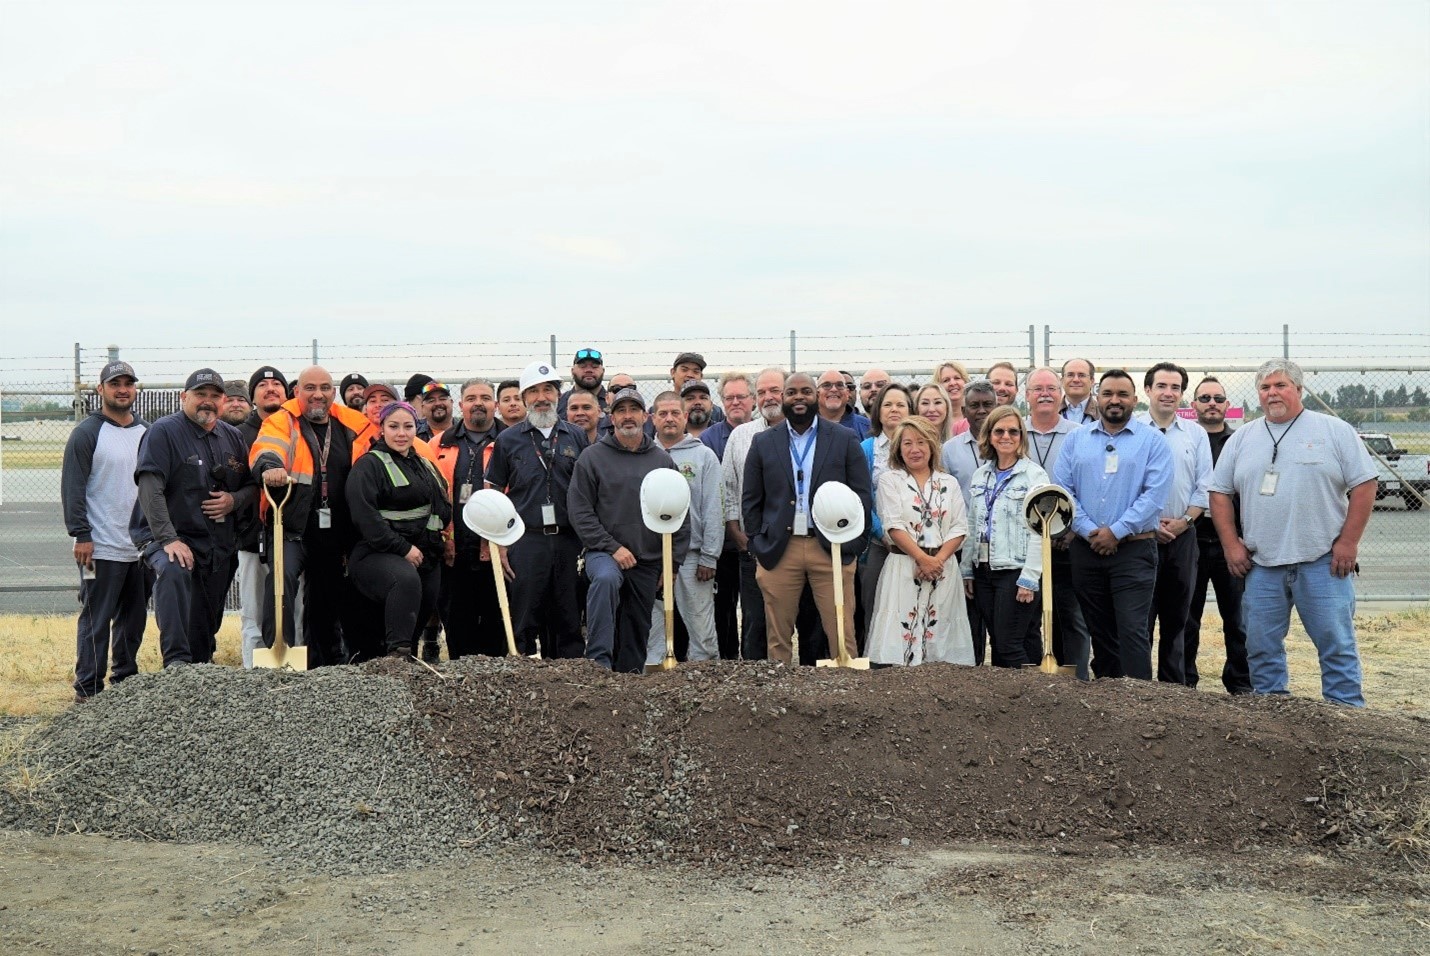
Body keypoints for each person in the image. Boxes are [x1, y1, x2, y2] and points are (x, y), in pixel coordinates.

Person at [1209, 360, 1377, 707]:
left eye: (1281, 385)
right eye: (1265, 387)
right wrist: (1230, 544)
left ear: (1299, 390)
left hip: (1323, 563)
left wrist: (1348, 542)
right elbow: (1219, 492)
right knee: (1261, 648)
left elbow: (1365, 483)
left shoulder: (1333, 430)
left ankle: (1346, 719)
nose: (1272, 393)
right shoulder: (1242, 438)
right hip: (1261, 566)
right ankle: (1275, 720)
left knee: (1337, 646)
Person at [742, 372, 872, 665]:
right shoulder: (763, 442)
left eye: (806, 391)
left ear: (817, 396)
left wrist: (854, 544)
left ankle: (848, 697)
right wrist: (756, 544)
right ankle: (781, 699)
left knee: (842, 632)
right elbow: (751, 499)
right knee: (778, 636)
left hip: (831, 546)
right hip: (779, 548)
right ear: (783, 398)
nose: (798, 397)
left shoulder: (844, 438)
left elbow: (862, 495)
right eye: (791, 392)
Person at [250, 366, 376, 666]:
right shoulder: (283, 420)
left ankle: (324, 663)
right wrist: (270, 466)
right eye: (309, 388)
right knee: (281, 581)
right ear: (297, 392)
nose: (317, 394)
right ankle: (279, 654)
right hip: (292, 526)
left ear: (334, 392)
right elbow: (266, 447)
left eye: (324, 388)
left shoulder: (354, 424)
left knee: (326, 595)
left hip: (337, 531)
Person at [1051, 370, 1173, 680]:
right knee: (1099, 629)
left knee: (1132, 630)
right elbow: (1064, 491)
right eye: (1107, 394)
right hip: (1086, 549)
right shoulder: (1076, 440)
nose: (1114, 400)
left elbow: (1154, 496)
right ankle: (1108, 701)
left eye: (1122, 394)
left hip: (1134, 551)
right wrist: (1090, 530)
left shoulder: (1153, 441)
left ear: (1134, 399)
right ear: (1097, 398)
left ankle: (1138, 702)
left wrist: (1115, 531)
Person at [131, 368, 256, 667]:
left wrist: (233, 500)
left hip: (216, 545)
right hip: (171, 538)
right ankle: (175, 664)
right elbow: (150, 487)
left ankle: (199, 672)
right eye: (200, 395)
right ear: (183, 396)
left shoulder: (233, 437)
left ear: (223, 401)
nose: (207, 402)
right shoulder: (163, 432)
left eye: (215, 396)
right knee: (174, 572)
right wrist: (168, 539)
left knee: (204, 628)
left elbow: (251, 486)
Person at [569, 387, 688, 672]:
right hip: (603, 553)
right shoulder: (592, 458)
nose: (627, 416)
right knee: (606, 581)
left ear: (645, 416)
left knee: (637, 624)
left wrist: (672, 565)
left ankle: (630, 678)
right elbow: (580, 512)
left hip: (647, 559)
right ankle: (598, 664)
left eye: (633, 410)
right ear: (611, 417)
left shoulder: (662, 461)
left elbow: (680, 512)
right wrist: (612, 547)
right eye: (621, 410)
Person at [484, 361, 590, 658]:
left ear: (558, 394)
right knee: (524, 615)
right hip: (525, 539)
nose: (541, 397)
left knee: (569, 616)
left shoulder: (576, 436)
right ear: (523, 397)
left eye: (548, 390)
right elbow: (493, 492)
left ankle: (568, 680)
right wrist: (499, 542)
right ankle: (522, 679)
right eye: (534, 391)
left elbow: (588, 489)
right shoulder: (508, 439)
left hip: (569, 539)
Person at [63, 360, 149, 702]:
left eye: (128, 383)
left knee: (134, 620)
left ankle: (125, 681)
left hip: (140, 548)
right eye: (115, 384)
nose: (123, 389)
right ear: (101, 390)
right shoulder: (87, 433)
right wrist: (81, 534)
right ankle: (88, 688)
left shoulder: (147, 432)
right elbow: (73, 487)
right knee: (96, 619)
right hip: (98, 547)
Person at [346, 402, 452, 659]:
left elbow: (441, 508)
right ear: (381, 429)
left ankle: (411, 657)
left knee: (428, 594)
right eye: (393, 427)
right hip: (376, 553)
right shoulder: (368, 465)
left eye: (408, 426)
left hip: (424, 553)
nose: (401, 433)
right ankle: (397, 657)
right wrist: (403, 548)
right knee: (405, 580)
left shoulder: (425, 465)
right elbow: (365, 517)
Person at [866, 417, 971, 666]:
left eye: (921, 442)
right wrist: (922, 559)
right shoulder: (890, 481)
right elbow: (893, 526)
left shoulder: (949, 482)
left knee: (941, 636)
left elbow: (959, 527)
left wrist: (937, 560)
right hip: (905, 566)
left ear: (932, 445)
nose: (915, 449)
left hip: (942, 568)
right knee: (901, 640)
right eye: (907, 443)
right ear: (898, 449)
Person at [1137, 362, 1213, 685]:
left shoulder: (1195, 435)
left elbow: (1205, 486)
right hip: (1140, 538)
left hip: (1183, 537)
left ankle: (1173, 693)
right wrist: (1150, 523)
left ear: (1182, 394)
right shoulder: (1134, 431)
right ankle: (1137, 687)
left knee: (1178, 620)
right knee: (1140, 619)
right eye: (1162, 386)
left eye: (1175, 388)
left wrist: (1183, 522)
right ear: (1148, 390)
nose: (1169, 393)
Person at [961, 407, 1048, 667]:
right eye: (999, 431)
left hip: (1016, 570)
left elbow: (1040, 531)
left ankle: (1031, 698)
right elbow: (973, 523)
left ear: (1022, 436)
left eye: (1013, 431)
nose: (1006, 436)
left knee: (1008, 643)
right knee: (1002, 640)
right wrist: (967, 569)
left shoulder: (1035, 475)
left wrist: (1030, 578)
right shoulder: (981, 475)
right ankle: (1009, 701)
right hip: (984, 570)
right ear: (989, 436)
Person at [646, 392, 723, 664]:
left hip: (693, 557)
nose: (669, 419)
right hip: (650, 558)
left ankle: (703, 679)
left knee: (701, 626)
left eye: (675, 413)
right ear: (652, 418)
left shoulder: (704, 456)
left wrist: (709, 555)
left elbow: (714, 507)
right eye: (662, 414)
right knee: (653, 628)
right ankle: (653, 678)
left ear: (685, 416)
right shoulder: (642, 455)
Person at [1186, 377, 1252, 694]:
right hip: (1192, 541)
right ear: (1193, 405)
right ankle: (1185, 682)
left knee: (1238, 620)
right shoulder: (1187, 441)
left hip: (1232, 544)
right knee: (1187, 618)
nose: (1211, 402)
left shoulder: (1242, 442)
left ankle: (1240, 683)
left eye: (1218, 398)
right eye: (1204, 398)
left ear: (1227, 405)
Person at [1023, 367, 1088, 678]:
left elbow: (1088, 485)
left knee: (1071, 616)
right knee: (1027, 617)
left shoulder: (1079, 435)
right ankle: (1033, 682)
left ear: (1061, 395)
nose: (1044, 394)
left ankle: (1076, 680)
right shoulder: (1013, 432)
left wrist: (1074, 529)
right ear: (1026, 396)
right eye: (1037, 389)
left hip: (1067, 543)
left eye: (1051, 388)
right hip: (1025, 546)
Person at [433, 378, 506, 659]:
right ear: (460, 404)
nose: (479, 403)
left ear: (495, 405)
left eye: (486, 398)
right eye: (472, 398)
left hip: (495, 548)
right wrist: (444, 538)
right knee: (457, 622)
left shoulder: (509, 441)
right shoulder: (438, 444)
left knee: (495, 621)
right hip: (453, 549)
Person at [721, 368, 787, 659]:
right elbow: (728, 487)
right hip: (753, 546)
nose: (768, 397)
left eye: (774, 390)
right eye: (761, 392)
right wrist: (738, 534)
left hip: (798, 544)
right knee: (755, 623)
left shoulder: (805, 434)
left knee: (802, 622)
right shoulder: (741, 436)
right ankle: (754, 686)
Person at [233, 365, 288, 668]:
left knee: (292, 608)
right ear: (253, 395)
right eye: (263, 384)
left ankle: (291, 672)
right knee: (253, 611)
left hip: (291, 536)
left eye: (277, 383)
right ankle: (252, 673)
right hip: (252, 536)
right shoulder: (239, 435)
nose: (271, 388)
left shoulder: (295, 428)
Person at [942, 380, 998, 665]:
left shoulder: (1010, 443)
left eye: (987, 404)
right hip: (964, 546)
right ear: (963, 409)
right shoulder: (950, 451)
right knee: (969, 620)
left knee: (1002, 624)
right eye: (974, 405)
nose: (981, 411)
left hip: (1002, 547)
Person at [701, 372, 755, 659]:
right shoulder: (709, 438)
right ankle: (727, 662)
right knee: (723, 607)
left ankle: (752, 661)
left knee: (753, 608)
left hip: (756, 540)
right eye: (729, 397)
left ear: (753, 400)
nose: (735, 402)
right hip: (722, 542)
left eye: (741, 396)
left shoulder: (764, 434)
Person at [859, 382, 913, 643]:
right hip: (879, 543)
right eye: (888, 404)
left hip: (917, 542)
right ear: (878, 411)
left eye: (900, 404)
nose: (894, 409)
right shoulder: (866, 449)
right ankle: (876, 664)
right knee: (876, 605)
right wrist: (885, 533)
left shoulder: (920, 447)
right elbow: (862, 498)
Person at [670, 352, 725, 424]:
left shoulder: (715, 412)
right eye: (684, 370)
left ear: (701, 376)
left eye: (695, 371)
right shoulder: (659, 409)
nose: (690, 375)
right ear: (673, 372)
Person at [816, 369, 870, 439]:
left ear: (847, 393)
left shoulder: (867, 428)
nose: (834, 389)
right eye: (826, 385)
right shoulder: (805, 427)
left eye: (839, 385)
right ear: (817, 393)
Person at [559, 347, 607, 416]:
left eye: (594, 366)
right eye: (582, 366)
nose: (588, 370)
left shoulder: (613, 402)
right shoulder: (559, 403)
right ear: (572, 371)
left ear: (603, 371)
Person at [933, 361, 970, 435]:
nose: (952, 383)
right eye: (946, 380)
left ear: (965, 382)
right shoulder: (934, 418)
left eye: (957, 378)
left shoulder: (976, 416)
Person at [1060, 358, 1098, 423]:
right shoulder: (1050, 412)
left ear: (1092, 381)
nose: (1076, 380)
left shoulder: (1104, 413)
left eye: (1082, 375)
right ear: (1062, 381)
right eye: (1070, 375)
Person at [417, 380, 454, 445]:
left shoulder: (466, 432)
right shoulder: (414, 437)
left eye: (442, 399)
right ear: (422, 407)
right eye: (431, 400)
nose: (438, 403)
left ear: (451, 402)